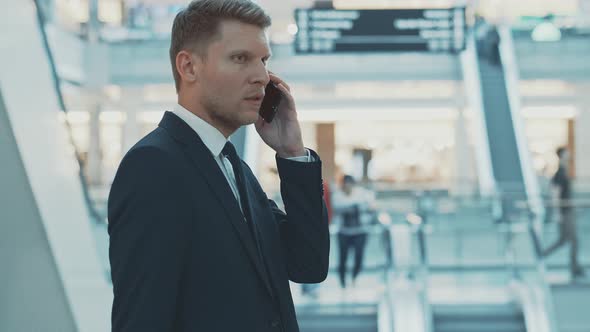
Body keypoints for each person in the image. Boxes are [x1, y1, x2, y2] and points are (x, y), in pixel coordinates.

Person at [107, 1, 330, 331]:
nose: (261, 76)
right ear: (189, 67)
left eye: (264, 60)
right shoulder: (153, 166)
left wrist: (292, 152)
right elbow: (142, 319)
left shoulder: (232, 166)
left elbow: (307, 264)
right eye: (240, 58)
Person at [543, 147, 585, 279]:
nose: (569, 154)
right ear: (561, 155)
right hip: (565, 213)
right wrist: (557, 213)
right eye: (567, 153)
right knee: (574, 240)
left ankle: (541, 255)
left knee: (563, 240)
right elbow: (555, 193)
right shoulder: (560, 173)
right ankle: (575, 268)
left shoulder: (564, 172)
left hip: (567, 210)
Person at [332, 175, 375, 288]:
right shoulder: (337, 196)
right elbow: (337, 208)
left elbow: (371, 207)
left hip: (360, 231)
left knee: (359, 257)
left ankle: (354, 277)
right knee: (343, 258)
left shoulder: (362, 194)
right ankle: (343, 282)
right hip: (344, 232)